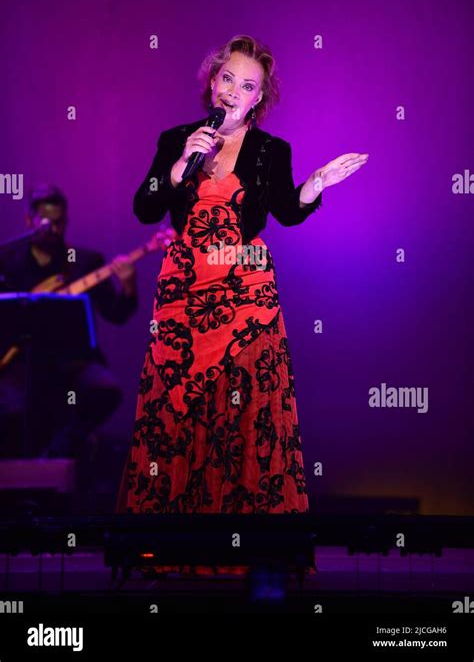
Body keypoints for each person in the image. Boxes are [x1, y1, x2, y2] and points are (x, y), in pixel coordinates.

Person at [116, 35, 368, 574]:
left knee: (242, 417)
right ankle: (172, 549)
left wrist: (316, 184)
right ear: (212, 82)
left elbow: (285, 211)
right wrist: (183, 164)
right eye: (227, 79)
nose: (234, 91)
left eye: (247, 86)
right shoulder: (177, 139)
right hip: (183, 292)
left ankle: (252, 551)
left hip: (246, 297)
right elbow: (145, 206)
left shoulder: (270, 151)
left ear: (258, 99)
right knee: (176, 413)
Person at [0, 184, 138, 460]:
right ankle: (18, 487)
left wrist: (129, 287)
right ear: (30, 221)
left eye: (60, 222)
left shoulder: (85, 262)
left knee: (105, 391)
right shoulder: (6, 260)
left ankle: (53, 460)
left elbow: (116, 314)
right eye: (46, 222)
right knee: (12, 408)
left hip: (73, 361)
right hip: (21, 362)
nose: (54, 229)